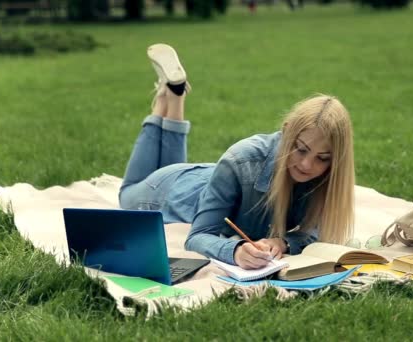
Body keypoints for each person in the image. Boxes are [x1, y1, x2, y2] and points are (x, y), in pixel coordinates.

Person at [119, 44, 356, 270]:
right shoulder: (241, 159)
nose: (307, 165)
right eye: (301, 149)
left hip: (202, 178)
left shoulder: (329, 177)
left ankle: (173, 92)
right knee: (126, 194)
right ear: (286, 132)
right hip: (165, 192)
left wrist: (283, 243)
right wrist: (235, 250)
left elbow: (315, 231)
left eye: (322, 158)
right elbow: (199, 236)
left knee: (173, 165)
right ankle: (164, 101)